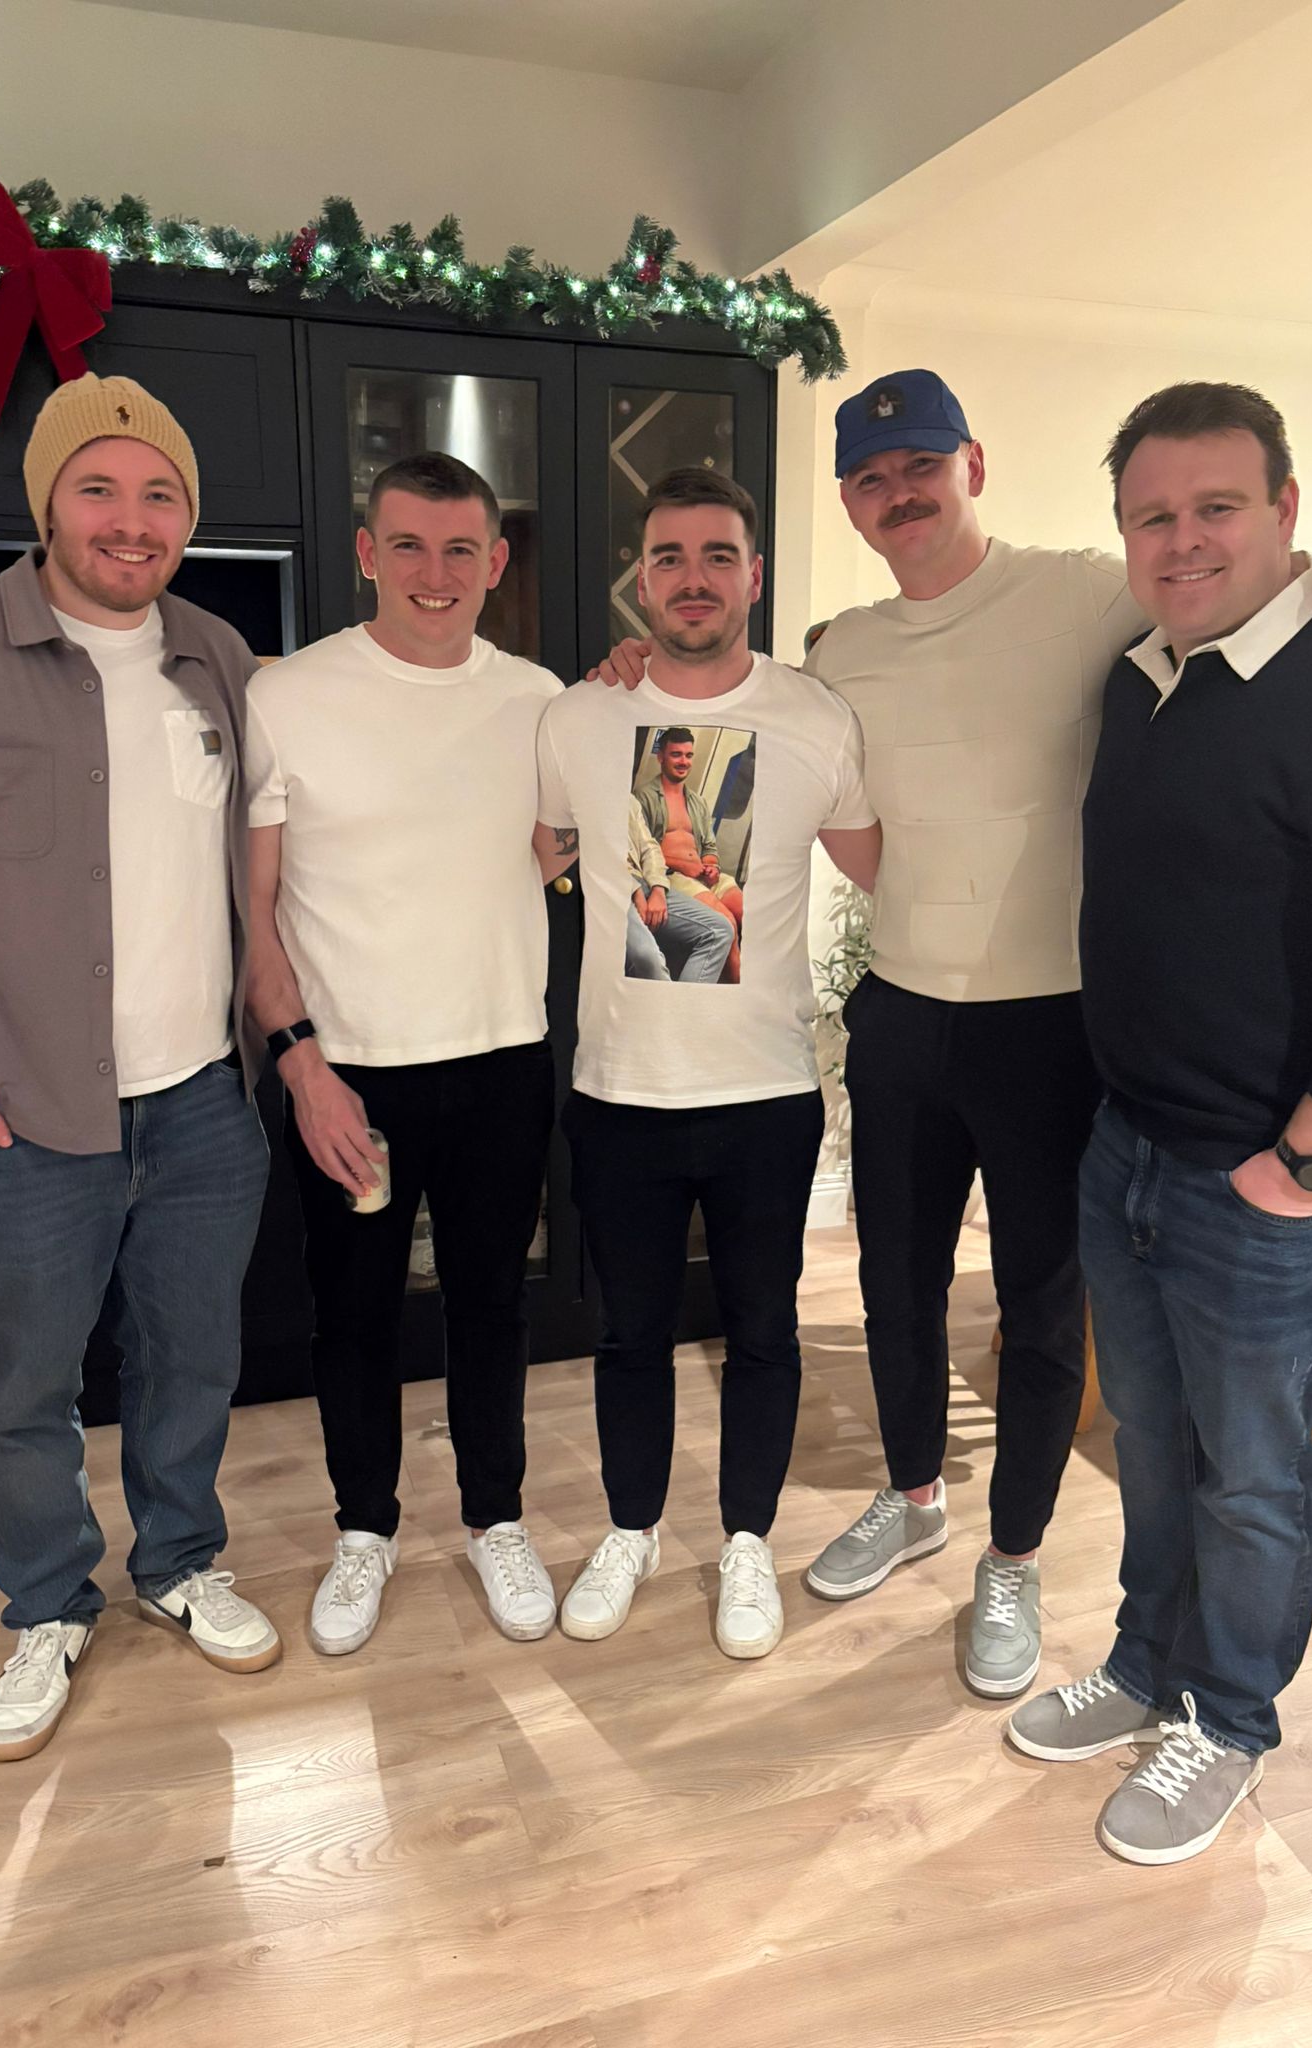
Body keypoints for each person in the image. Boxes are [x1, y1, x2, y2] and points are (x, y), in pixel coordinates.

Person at [599, 368, 1312, 1704]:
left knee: (1042, 1307)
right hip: (901, 1012)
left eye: (922, 466)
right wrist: (634, 677)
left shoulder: (1093, 595)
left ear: (972, 466)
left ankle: (1014, 1556)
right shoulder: (843, 651)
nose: (900, 493)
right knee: (894, 1286)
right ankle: (913, 1496)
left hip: (1053, 1026)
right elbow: (735, 757)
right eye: (872, 478)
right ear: (847, 503)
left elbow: (1242, 597)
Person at [1005, 381, 1312, 1865]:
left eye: (1217, 507)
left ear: (1287, 510)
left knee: (1256, 1475)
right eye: (1152, 516)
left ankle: (1231, 1718)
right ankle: (1149, 1663)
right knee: (1154, 1444)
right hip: (1132, 1149)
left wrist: (1309, 1158)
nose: (1184, 540)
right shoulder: (1142, 679)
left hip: (1270, 1182)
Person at [0, 375, 278, 1762]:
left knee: (193, 1355)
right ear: (47, 504)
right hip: (13, 1109)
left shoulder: (219, 657)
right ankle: (45, 1603)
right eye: (99, 489)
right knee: (24, 1384)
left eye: (160, 495)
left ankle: (180, 1559)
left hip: (200, 1099)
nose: (131, 521)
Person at [535, 466, 880, 1659]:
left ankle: (745, 1541)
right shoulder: (577, 719)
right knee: (627, 1332)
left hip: (766, 1095)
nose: (694, 578)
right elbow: (535, 853)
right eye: (670, 557)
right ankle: (631, 1527)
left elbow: (890, 868)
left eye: (718, 555)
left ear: (754, 575)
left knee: (765, 1331)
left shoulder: (818, 718)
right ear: (641, 580)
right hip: (620, 1092)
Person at [245, 453, 562, 1654]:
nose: (437, 572)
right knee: (354, 1312)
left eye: (461, 548)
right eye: (411, 546)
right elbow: (255, 909)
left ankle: (496, 1516)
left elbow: (560, 844)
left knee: (492, 1303)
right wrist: (302, 1066)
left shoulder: (540, 700)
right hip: (352, 1073)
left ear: (496, 561)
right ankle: (364, 1527)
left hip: (501, 1057)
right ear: (368, 552)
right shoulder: (288, 696)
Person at [637, 726, 744, 980]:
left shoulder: (697, 801)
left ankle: (753, 985)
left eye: (688, 755)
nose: (683, 761)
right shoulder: (644, 797)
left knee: (752, 916)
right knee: (727, 923)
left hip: (704, 876)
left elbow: (709, 847)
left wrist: (711, 866)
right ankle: (735, 993)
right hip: (673, 877)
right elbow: (642, 852)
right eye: (676, 754)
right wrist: (684, 866)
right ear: (661, 757)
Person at [624, 793, 734, 983]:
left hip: (650, 878)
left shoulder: (696, 802)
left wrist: (658, 888)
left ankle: (691, 1001)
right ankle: (671, 1001)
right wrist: (635, 890)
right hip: (621, 883)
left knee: (724, 928)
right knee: (647, 958)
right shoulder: (647, 796)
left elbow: (650, 848)